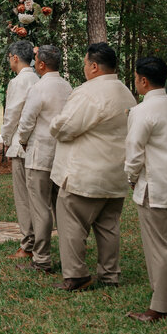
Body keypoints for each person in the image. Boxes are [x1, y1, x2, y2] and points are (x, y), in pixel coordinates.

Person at [49, 43, 136, 292]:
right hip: (115, 172)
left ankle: (77, 275)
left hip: (85, 172)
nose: (85, 68)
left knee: (72, 224)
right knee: (109, 226)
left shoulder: (89, 92)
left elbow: (66, 127)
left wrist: (54, 122)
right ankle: (110, 274)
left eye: (86, 64)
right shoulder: (126, 92)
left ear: (94, 66)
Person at [125, 56, 167, 323]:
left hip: (155, 184)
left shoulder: (142, 110)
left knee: (158, 247)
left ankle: (160, 305)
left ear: (142, 80)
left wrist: (131, 177)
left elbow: (134, 151)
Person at [16, 44, 72, 275]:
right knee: (61, 208)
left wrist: (22, 140)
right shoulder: (68, 87)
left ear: (40, 64)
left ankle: (42, 258)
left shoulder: (39, 88)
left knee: (40, 209)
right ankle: (70, 256)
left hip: (39, 155)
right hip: (61, 155)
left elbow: (27, 121)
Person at [1, 40, 39, 260]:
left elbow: (12, 113)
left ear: (15, 57)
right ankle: (38, 240)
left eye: (9, 57)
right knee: (37, 197)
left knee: (23, 198)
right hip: (37, 146)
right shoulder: (38, 79)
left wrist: (6, 138)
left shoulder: (19, 82)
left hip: (20, 145)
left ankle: (28, 243)